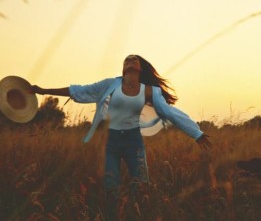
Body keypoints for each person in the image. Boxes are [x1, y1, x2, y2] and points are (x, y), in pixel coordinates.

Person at [31, 54, 211, 209]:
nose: (130, 60)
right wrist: (43, 90)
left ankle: (139, 219)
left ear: (140, 68)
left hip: (134, 142)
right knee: (111, 187)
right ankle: (113, 220)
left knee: (141, 186)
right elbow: (79, 90)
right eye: (126, 60)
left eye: (134, 59)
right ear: (123, 68)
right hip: (111, 142)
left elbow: (170, 112)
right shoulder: (110, 85)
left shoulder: (150, 91)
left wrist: (196, 133)